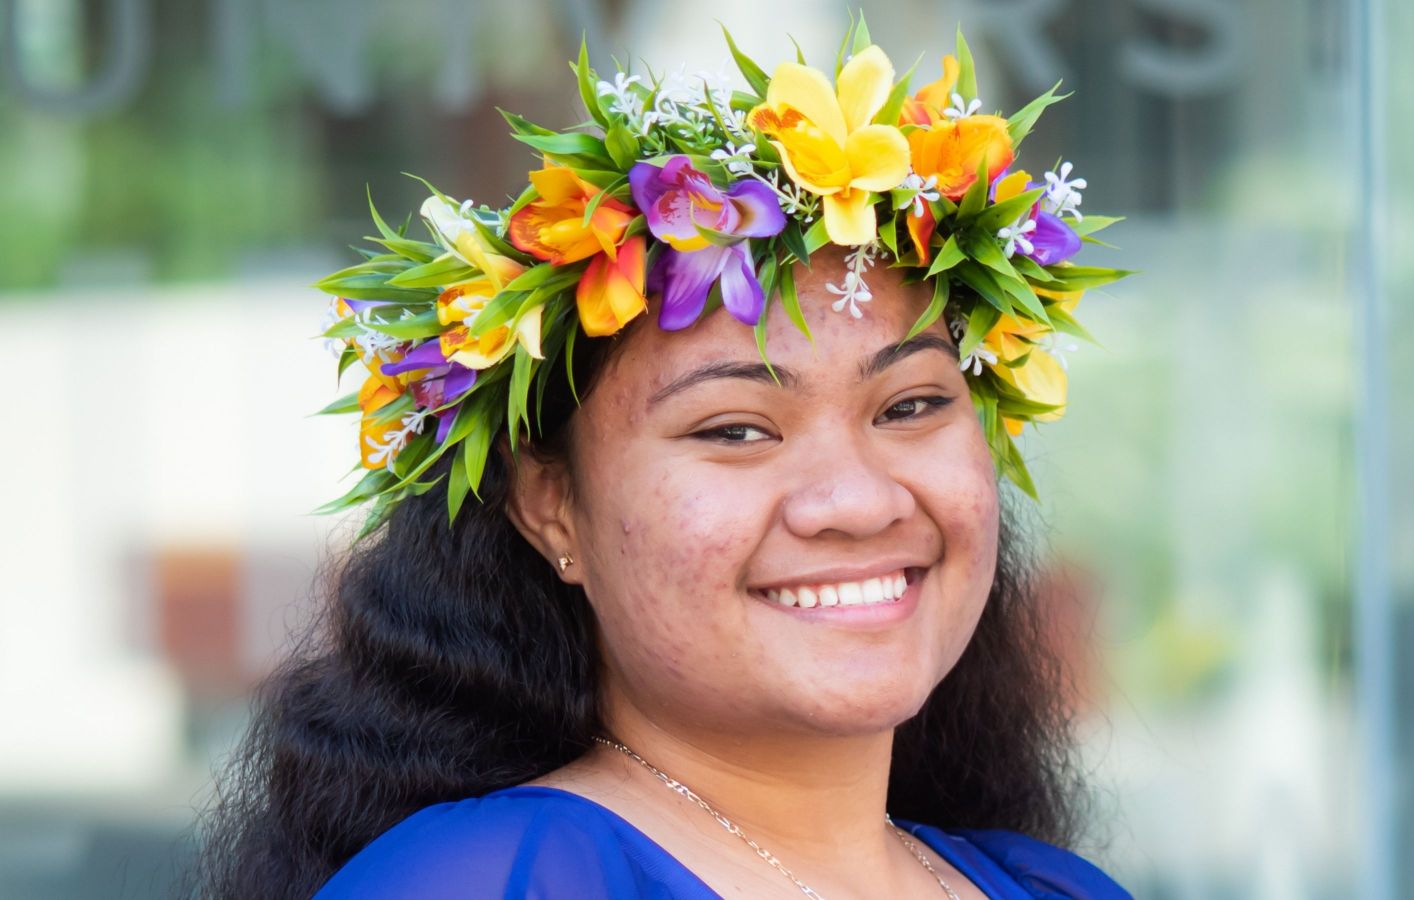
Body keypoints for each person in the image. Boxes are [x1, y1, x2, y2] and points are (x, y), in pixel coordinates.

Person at [194, 23, 1131, 899]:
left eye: (912, 406)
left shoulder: (1054, 889)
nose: (856, 499)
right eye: (734, 429)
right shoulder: (493, 880)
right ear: (549, 503)